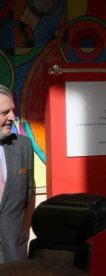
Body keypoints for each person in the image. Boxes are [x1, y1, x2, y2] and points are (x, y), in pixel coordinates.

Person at [0, 84, 34, 263]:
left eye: (12, 110)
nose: (12, 117)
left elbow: (30, 193)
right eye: (5, 112)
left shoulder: (24, 146)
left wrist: (24, 234)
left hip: (15, 254)